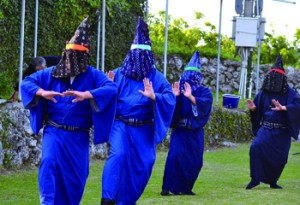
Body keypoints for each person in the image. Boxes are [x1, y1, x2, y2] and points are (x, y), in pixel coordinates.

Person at [21, 16, 117, 204]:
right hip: (54, 131)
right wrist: (42, 92)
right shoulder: (51, 72)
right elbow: (27, 82)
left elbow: (111, 88)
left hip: (78, 137)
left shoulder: (92, 74)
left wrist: (87, 94)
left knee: (76, 179)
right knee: (49, 163)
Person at [101, 16, 176, 205]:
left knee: (146, 162)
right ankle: (108, 199)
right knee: (118, 155)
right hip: (121, 125)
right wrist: (108, 88)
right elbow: (102, 94)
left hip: (143, 129)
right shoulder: (118, 74)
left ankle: (125, 201)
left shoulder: (156, 77)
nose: (138, 62)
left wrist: (154, 97)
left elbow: (169, 97)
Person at [160, 50, 213, 196]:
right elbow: (172, 110)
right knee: (175, 157)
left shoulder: (204, 92)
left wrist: (191, 97)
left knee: (195, 161)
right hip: (180, 131)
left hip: (195, 132)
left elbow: (205, 105)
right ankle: (167, 187)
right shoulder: (179, 90)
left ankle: (186, 188)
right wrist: (175, 97)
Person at [245, 54, 300, 189]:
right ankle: (255, 179)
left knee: (280, 157)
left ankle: (273, 181)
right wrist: (253, 109)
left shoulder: (290, 93)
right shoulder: (264, 93)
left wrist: (285, 108)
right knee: (256, 147)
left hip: (282, 131)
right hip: (267, 129)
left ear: (282, 79)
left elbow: (298, 105)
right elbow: (257, 111)